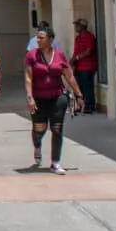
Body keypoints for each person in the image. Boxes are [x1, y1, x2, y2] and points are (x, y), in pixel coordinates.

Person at [24, 27, 85, 175]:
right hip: (39, 98)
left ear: (50, 40)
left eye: (41, 38)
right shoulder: (32, 55)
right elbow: (28, 77)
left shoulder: (60, 55)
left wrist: (79, 95)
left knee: (57, 129)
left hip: (58, 96)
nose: (38, 40)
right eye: (37, 38)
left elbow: (69, 76)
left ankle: (55, 162)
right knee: (39, 129)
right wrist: (30, 97)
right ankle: (37, 144)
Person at [71, 19, 98, 113]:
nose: (76, 27)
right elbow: (75, 52)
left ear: (82, 27)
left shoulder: (89, 36)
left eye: (77, 25)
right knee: (79, 87)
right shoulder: (77, 38)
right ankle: (80, 105)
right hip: (78, 67)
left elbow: (88, 51)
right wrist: (73, 61)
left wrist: (77, 58)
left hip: (87, 66)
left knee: (87, 87)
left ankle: (89, 106)